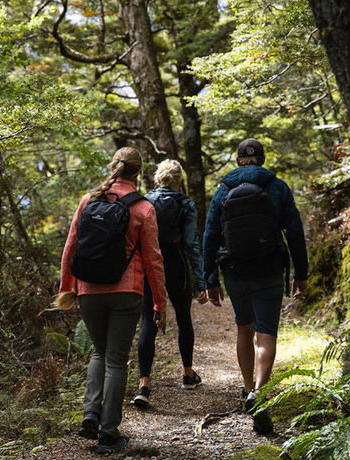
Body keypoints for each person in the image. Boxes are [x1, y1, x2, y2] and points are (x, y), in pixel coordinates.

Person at [54, 147, 167, 454]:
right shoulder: (143, 208)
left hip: (89, 289)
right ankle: (108, 433)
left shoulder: (88, 200)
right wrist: (160, 303)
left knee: (99, 352)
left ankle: (90, 413)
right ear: (139, 172)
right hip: (127, 290)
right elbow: (154, 260)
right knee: (116, 359)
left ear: (114, 166)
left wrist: (67, 287)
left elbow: (70, 247)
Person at [202, 138, 308, 434]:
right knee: (266, 334)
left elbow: (210, 234)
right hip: (270, 268)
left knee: (244, 329)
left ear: (238, 161)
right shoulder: (278, 187)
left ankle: (247, 386)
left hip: (234, 270)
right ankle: (258, 395)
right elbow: (295, 231)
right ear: (262, 159)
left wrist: (209, 278)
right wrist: (302, 273)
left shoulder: (223, 189)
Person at [132, 159, 209, 408]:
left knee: (148, 319)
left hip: (148, 267)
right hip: (175, 264)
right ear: (178, 181)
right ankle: (188, 374)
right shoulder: (185, 203)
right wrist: (201, 280)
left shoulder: (142, 201)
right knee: (184, 317)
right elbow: (191, 243)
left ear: (157, 178)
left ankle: (144, 383)